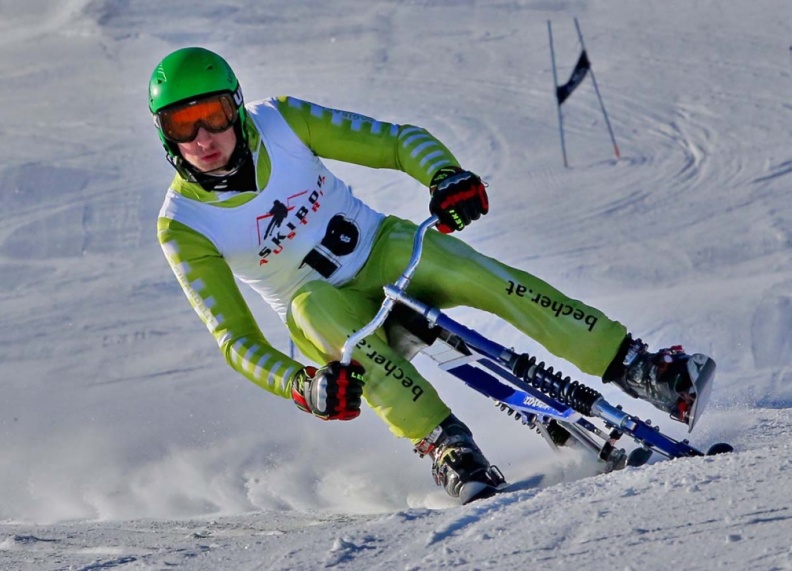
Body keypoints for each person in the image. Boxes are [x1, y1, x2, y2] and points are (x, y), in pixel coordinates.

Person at [149, 47, 712, 504]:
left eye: (215, 115)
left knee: (459, 261)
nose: (203, 138)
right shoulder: (184, 225)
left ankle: (641, 370)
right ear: (165, 137)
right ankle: (448, 447)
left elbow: (395, 142)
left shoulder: (281, 121)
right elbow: (235, 341)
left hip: (386, 253)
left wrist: (446, 176)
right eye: (183, 124)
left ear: (237, 107)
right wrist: (301, 384)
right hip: (331, 317)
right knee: (312, 305)